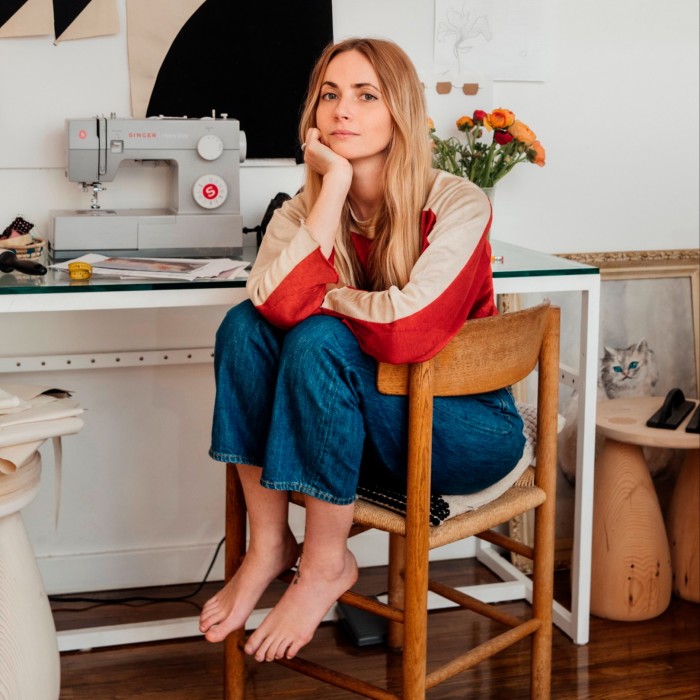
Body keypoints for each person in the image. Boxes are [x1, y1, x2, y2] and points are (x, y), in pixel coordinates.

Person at [198, 37, 526, 663]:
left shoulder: (457, 201)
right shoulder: (304, 209)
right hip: (362, 432)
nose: (341, 110)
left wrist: (326, 296)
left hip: (463, 430)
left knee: (319, 336)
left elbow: (409, 330)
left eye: (365, 95)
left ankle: (326, 565)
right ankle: (270, 546)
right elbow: (270, 306)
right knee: (242, 327)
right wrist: (334, 187)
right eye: (329, 95)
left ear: (399, 111)